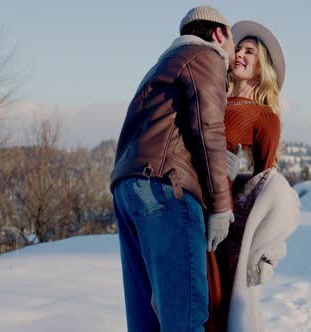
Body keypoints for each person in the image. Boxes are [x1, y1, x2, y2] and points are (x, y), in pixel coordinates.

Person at [110, 6, 236, 332]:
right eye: (234, 41)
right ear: (220, 34)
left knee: (145, 320)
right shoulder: (206, 57)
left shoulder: (160, 67)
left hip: (128, 189)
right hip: (167, 188)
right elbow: (208, 129)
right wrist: (221, 206)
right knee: (186, 318)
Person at [209, 20, 301, 332]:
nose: (240, 54)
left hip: (226, 224)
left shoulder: (265, 117)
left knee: (219, 305)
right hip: (191, 205)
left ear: (261, 68)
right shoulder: (211, 98)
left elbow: (268, 184)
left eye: (250, 51)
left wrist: (235, 175)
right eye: (238, 47)